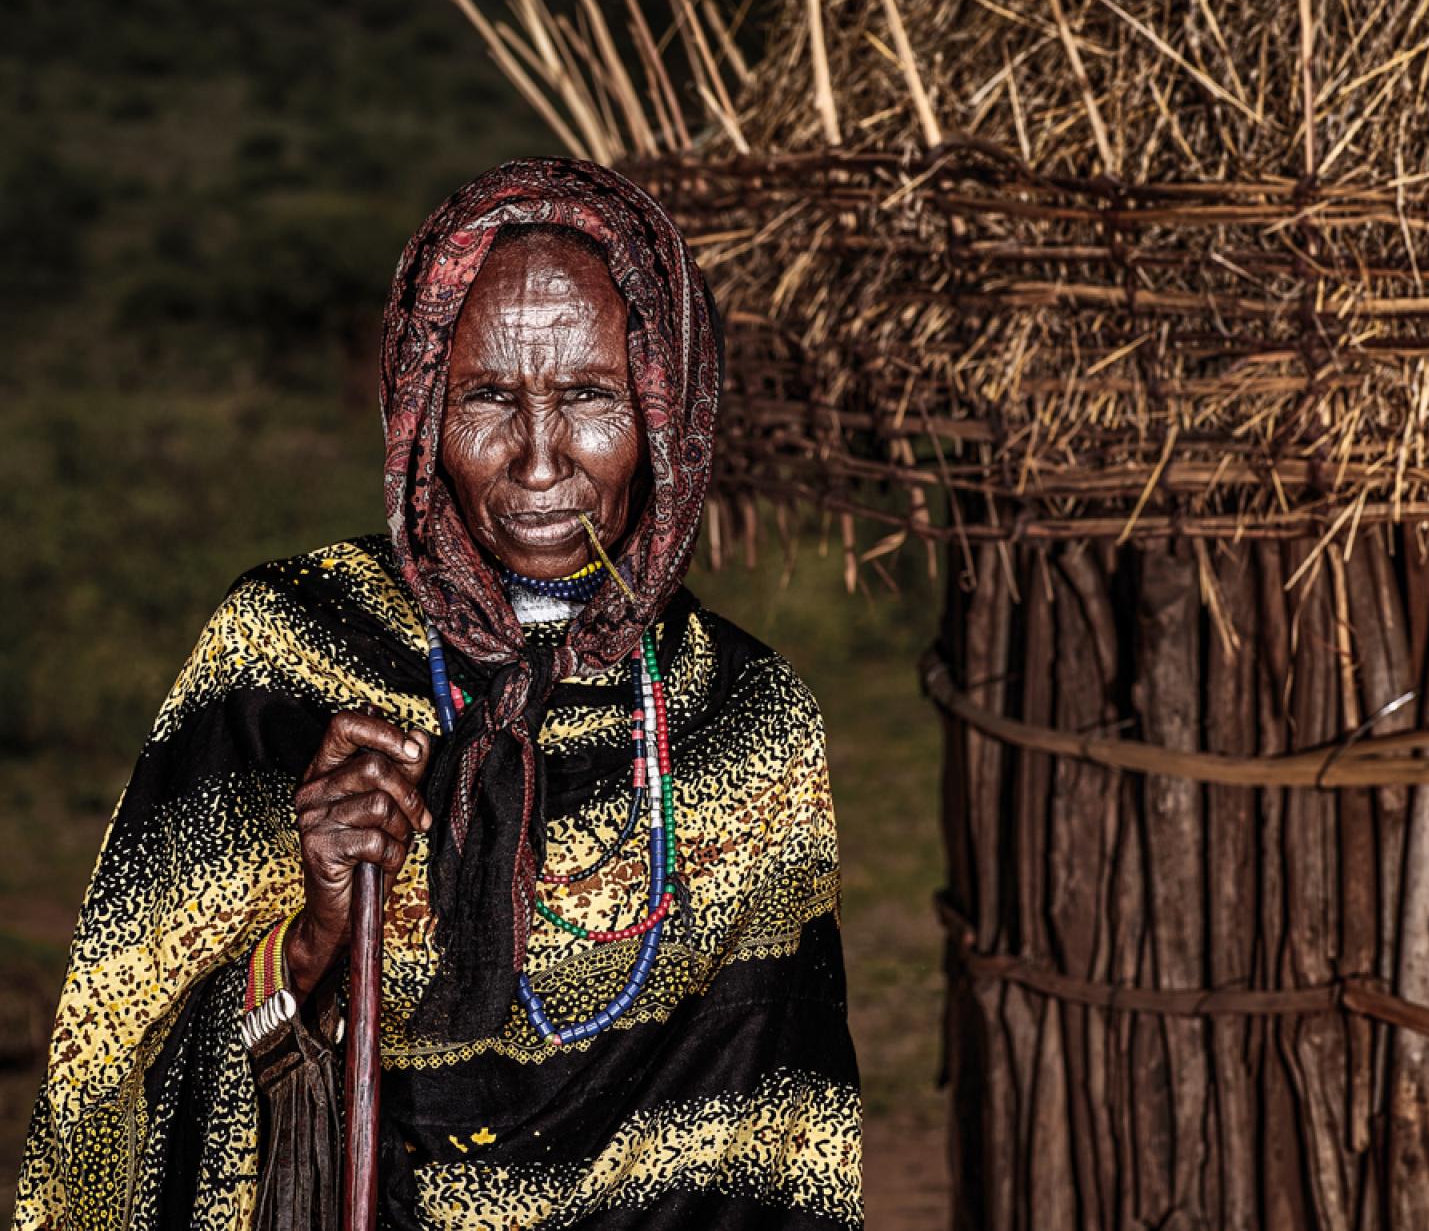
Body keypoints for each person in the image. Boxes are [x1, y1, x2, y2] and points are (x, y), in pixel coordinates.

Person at [11, 157, 862, 1229]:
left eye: (592, 396)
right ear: (421, 412)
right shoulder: (291, 656)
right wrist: (314, 926)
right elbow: (120, 1061)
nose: (542, 461)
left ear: (667, 407)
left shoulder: (745, 719)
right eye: (490, 398)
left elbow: (784, 1138)